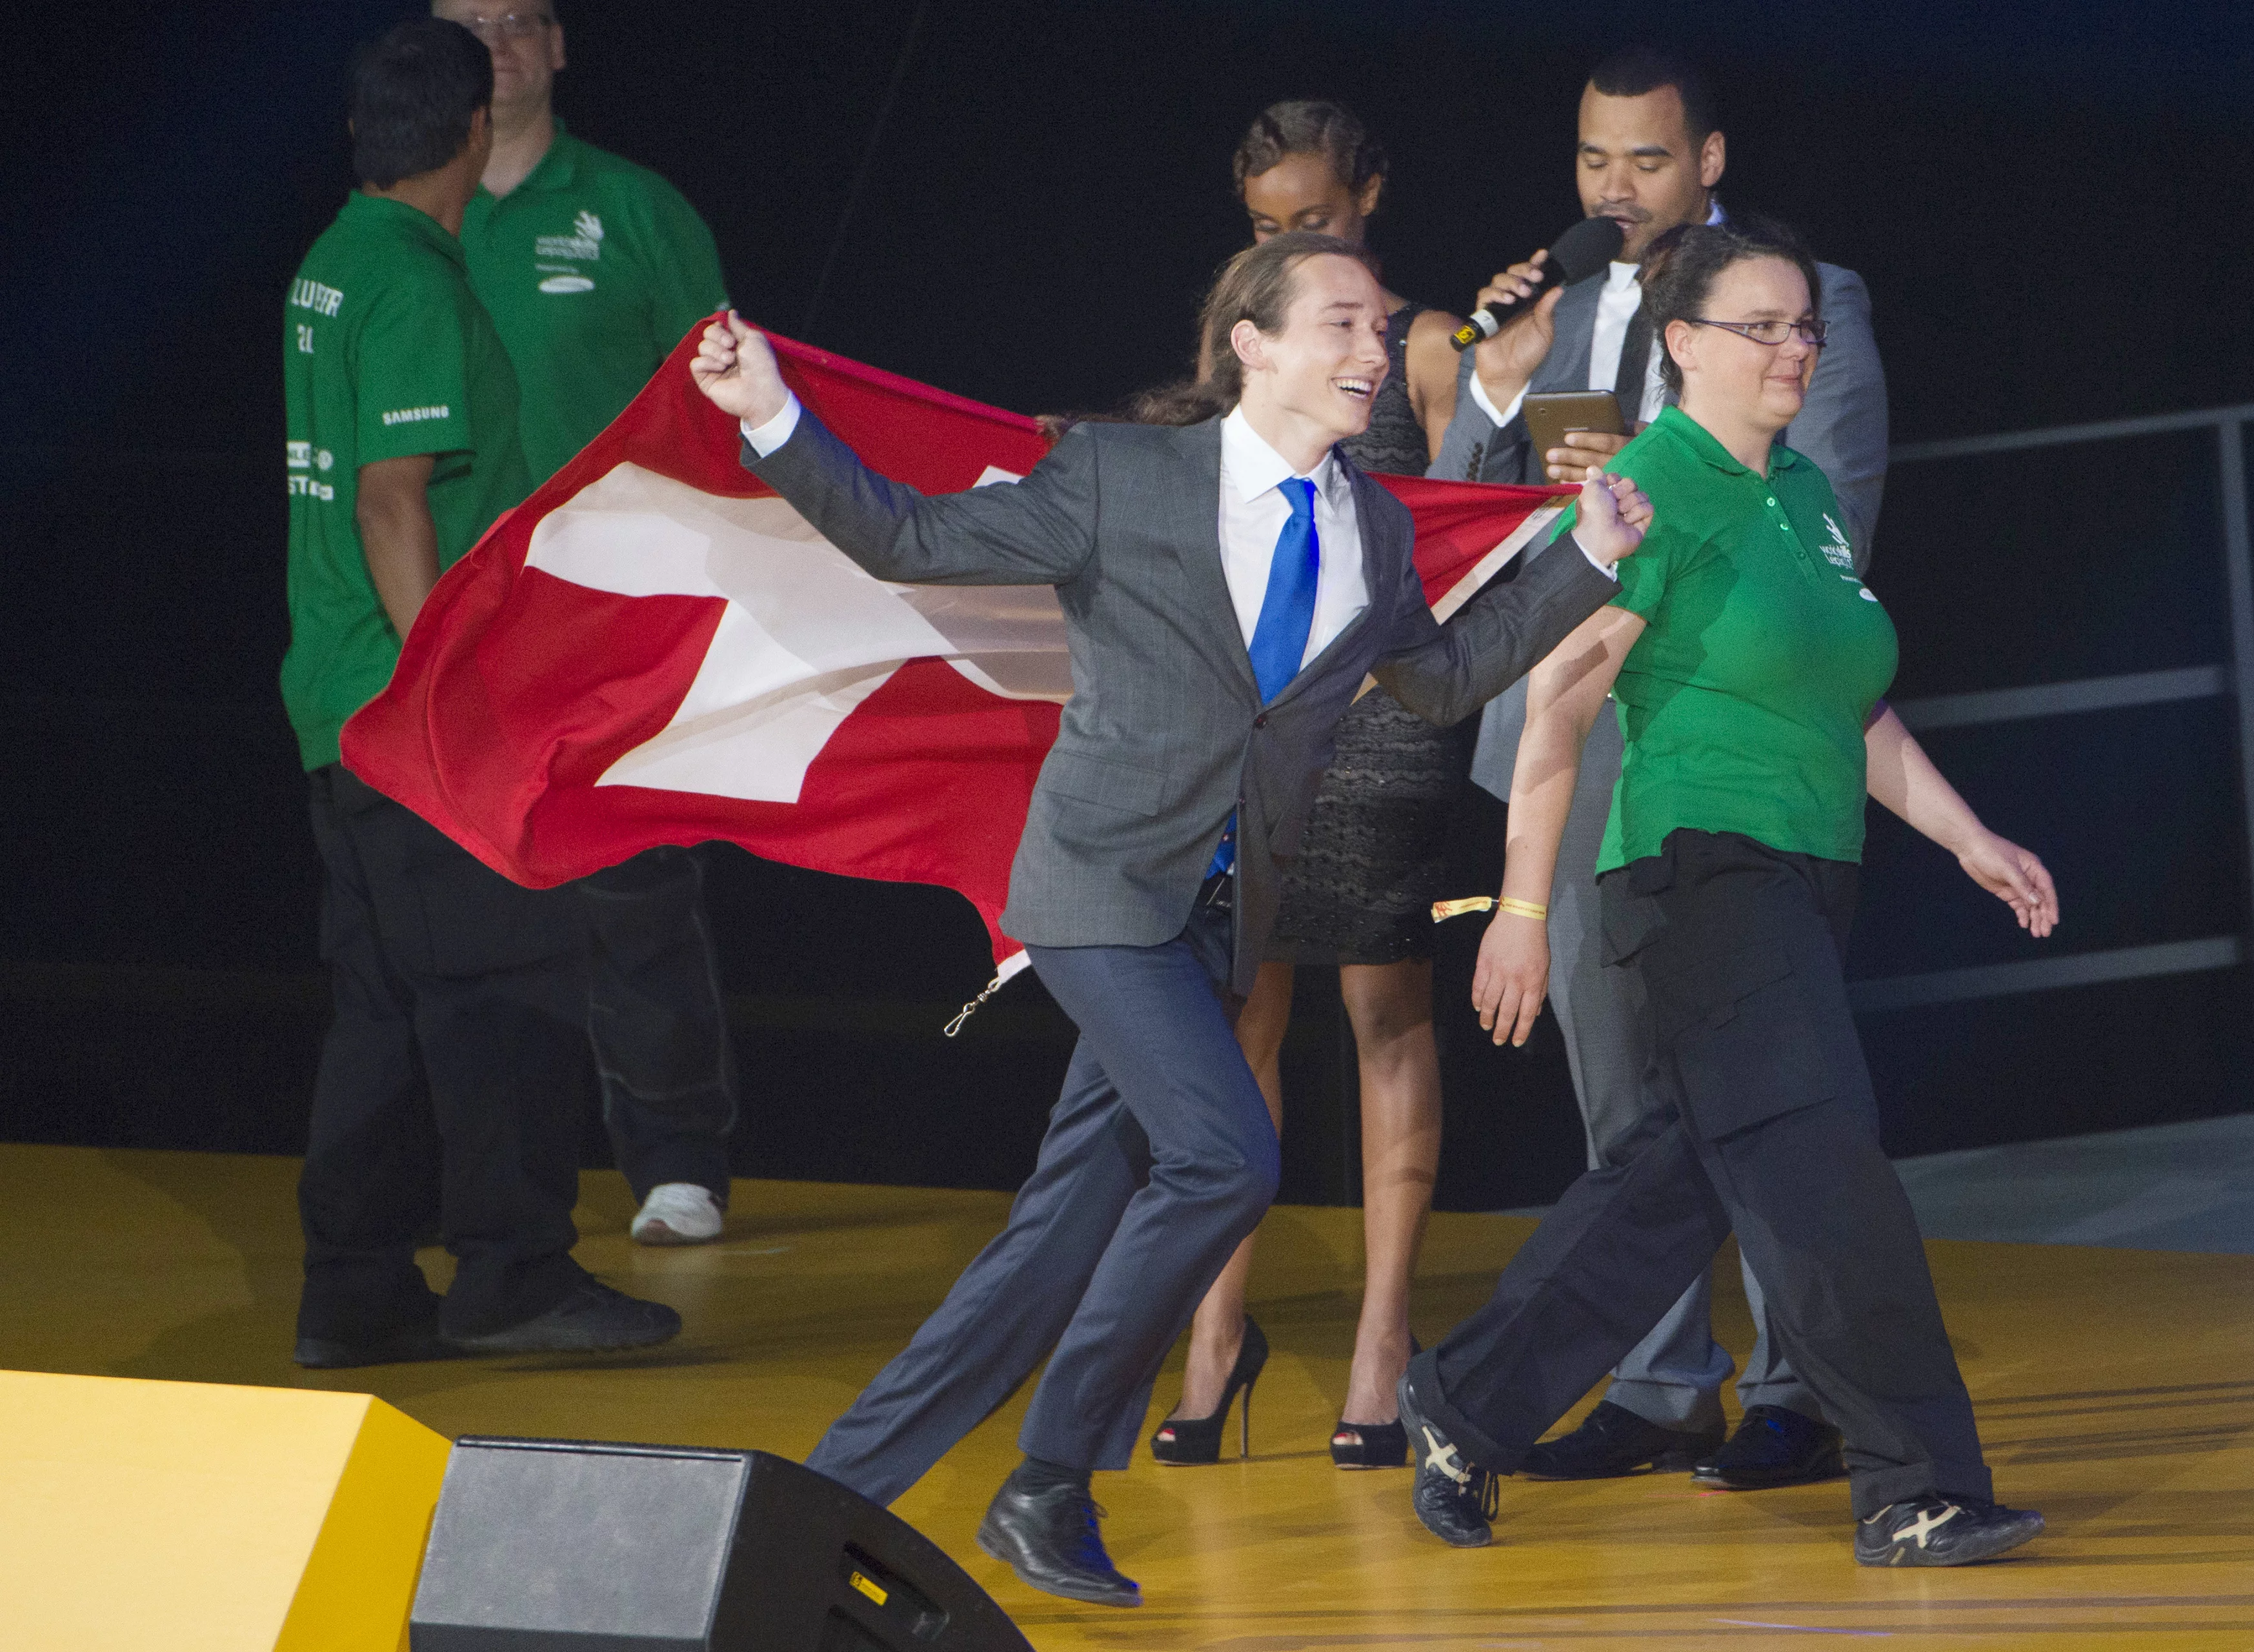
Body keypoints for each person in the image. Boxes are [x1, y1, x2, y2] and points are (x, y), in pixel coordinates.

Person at [686, 233, 1651, 1607]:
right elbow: (908, 537)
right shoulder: (1117, 476)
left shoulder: (1367, 523)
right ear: (1250, 343)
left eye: (1380, 328)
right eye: (1341, 324)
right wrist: (770, 411)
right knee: (1224, 1155)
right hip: (1094, 888)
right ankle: (1051, 1474)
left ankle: (815, 1506)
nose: (1374, 351)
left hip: (1216, 916)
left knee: (1056, 1236)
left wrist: (1587, 556)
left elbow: (1438, 684)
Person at [1397, 217, 2052, 1567]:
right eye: (1763, 326)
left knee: (1684, 1174)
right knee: (1825, 1161)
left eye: (1806, 325)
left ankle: (1462, 1400)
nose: (1796, 349)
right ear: (1681, 343)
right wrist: (1522, 913)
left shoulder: (1801, 494)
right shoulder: (1651, 486)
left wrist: (1968, 835)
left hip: (1810, 871)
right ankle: (1917, 1482)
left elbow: (1849, 701)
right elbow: (1557, 712)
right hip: (1702, 869)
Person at [1428, 43, 1891, 1489]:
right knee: (1619, 1082)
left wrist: (1655, 502)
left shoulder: (1800, 314)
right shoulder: (1554, 312)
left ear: (1710, 163)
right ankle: (1658, 1379)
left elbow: (1827, 537)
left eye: (1644, 161)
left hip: (1722, 745)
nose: (1613, 189)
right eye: (1590, 160)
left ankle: (1800, 1386)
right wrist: (1498, 394)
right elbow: (1469, 534)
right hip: (1567, 735)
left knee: (1761, 1079)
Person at [281, 18, 679, 1367]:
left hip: (335, 697)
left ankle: (358, 1282)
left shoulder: (332, 264)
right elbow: (396, 502)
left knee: (385, 1005)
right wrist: (449, 693)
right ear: (466, 135)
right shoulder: (411, 284)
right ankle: (512, 1270)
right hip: (409, 710)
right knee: (507, 983)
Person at [1152, 101, 1465, 1474]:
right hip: (1262, 715)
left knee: (1384, 1007)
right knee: (1238, 1023)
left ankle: (1383, 1344)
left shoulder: (1436, 343)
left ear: (1372, 194)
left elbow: (1482, 522)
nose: (1291, 244)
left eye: (1317, 219)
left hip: (1387, 710)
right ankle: (1219, 1332)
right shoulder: (1251, 339)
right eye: (1268, 228)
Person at [434, 0, 739, 1249]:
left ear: (558, 47)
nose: (497, 44)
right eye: (469, 25)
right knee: (466, 912)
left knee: (637, 892)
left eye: (519, 22)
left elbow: (720, 402)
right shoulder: (403, 225)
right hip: (451, 613)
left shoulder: (637, 208)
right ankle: (494, 1187)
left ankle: (677, 1162)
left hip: (618, 612)